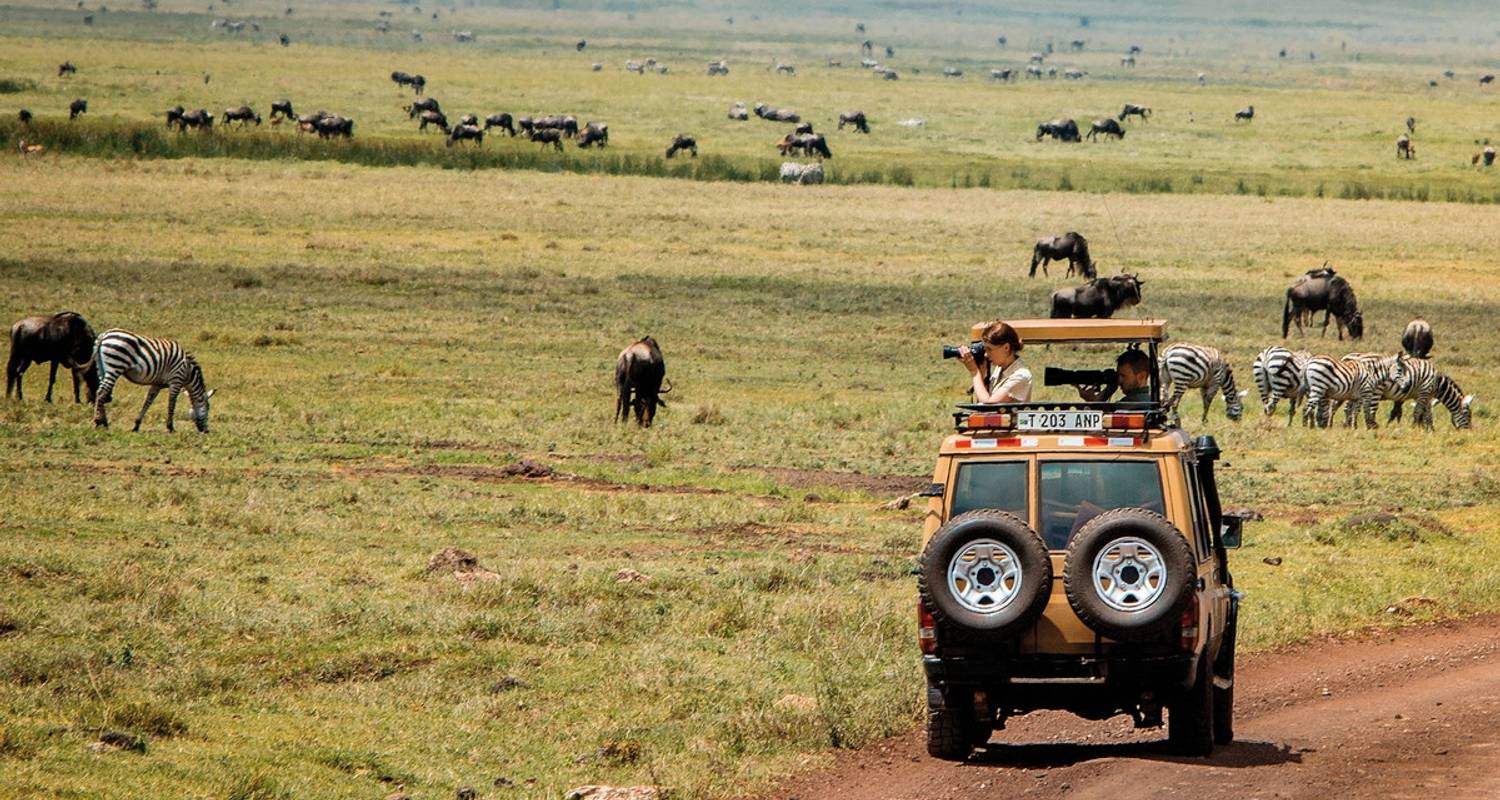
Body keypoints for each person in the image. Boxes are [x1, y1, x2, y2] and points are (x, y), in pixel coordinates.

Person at [957, 321, 1031, 403]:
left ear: (1006, 347)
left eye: (990, 349)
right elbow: (982, 401)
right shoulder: (999, 370)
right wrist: (982, 374)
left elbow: (989, 405)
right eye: (985, 349)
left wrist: (975, 372)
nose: (986, 354)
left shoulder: (1020, 376)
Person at [1078, 348, 1153, 403]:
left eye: (1123, 376)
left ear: (1141, 376)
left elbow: (1101, 420)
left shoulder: (1129, 404)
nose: (1119, 380)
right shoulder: (1152, 400)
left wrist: (1094, 402)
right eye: (1118, 375)